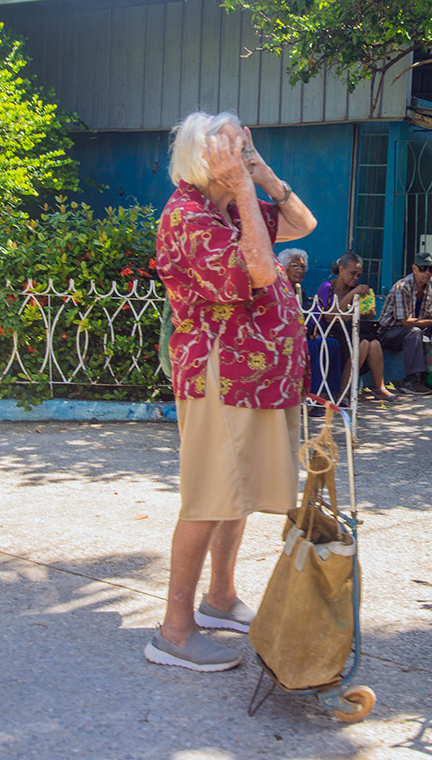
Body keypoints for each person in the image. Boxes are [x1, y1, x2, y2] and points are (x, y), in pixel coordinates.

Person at [148, 110, 316, 672]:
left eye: (246, 148)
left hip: (254, 375)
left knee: (236, 491)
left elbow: (303, 222)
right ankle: (173, 631)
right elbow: (263, 272)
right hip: (219, 373)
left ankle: (219, 598)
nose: (243, 157)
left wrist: (262, 175)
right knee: (208, 495)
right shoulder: (190, 218)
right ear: (206, 160)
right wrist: (245, 189)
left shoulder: (231, 206)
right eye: (235, 150)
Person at [312, 252, 397, 402]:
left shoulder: (357, 289)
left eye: (358, 275)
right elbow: (330, 316)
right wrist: (352, 294)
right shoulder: (327, 287)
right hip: (331, 332)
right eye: (352, 273)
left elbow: (366, 312)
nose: (355, 278)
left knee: (374, 343)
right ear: (341, 270)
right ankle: (342, 392)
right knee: (362, 344)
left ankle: (380, 388)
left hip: (350, 331)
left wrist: (369, 309)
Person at [377, 251, 432, 395]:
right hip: (389, 333)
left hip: (414, 331)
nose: (427, 272)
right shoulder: (402, 287)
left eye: (431, 269)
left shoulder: (431, 288)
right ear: (414, 268)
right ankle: (411, 381)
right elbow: (406, 322)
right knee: (414, 332)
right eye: (423, 268)